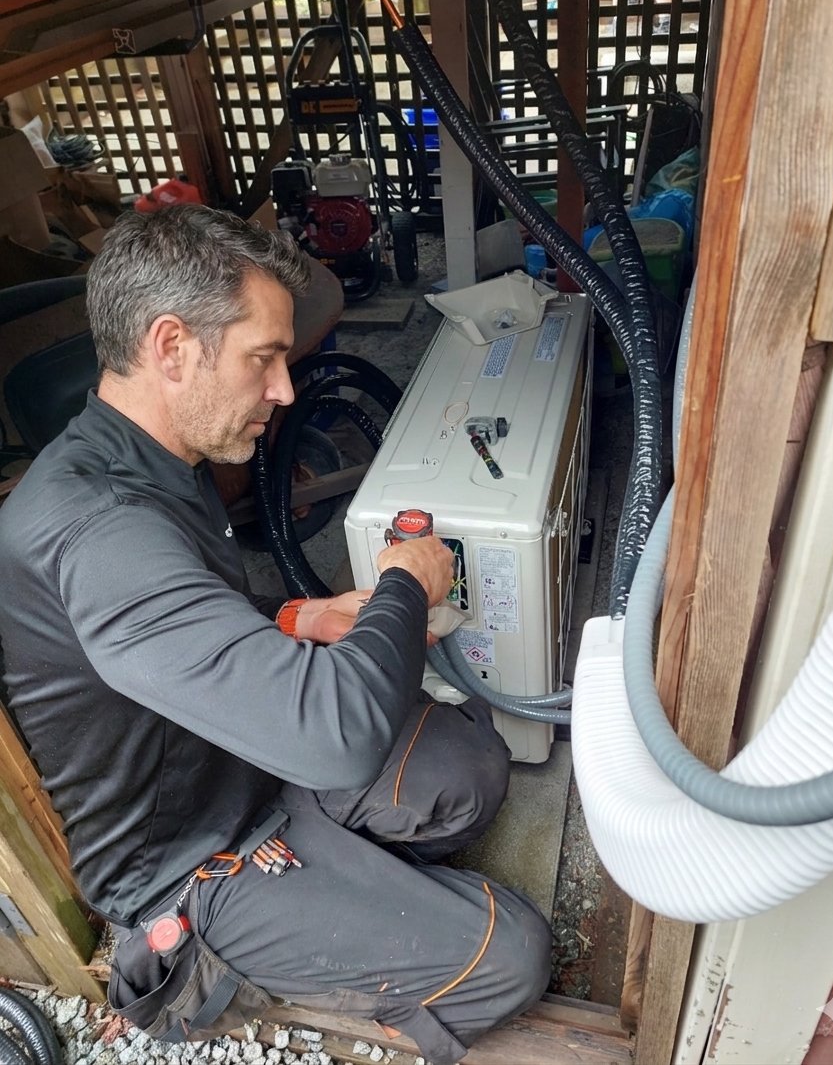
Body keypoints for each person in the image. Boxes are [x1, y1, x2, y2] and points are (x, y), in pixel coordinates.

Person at [0, 205, 552, 1065]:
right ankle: (198, 971)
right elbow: (337, 734)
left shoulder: (147, 455)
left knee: (470, 770)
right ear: (172, 346)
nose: (286, 390)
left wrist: (299, 616)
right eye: (263, 357)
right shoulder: (97, 533)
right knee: (512, 955)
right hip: (188, 856)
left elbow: (192, 620)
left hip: (245, 758)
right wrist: (406, 583)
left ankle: (337, 886)